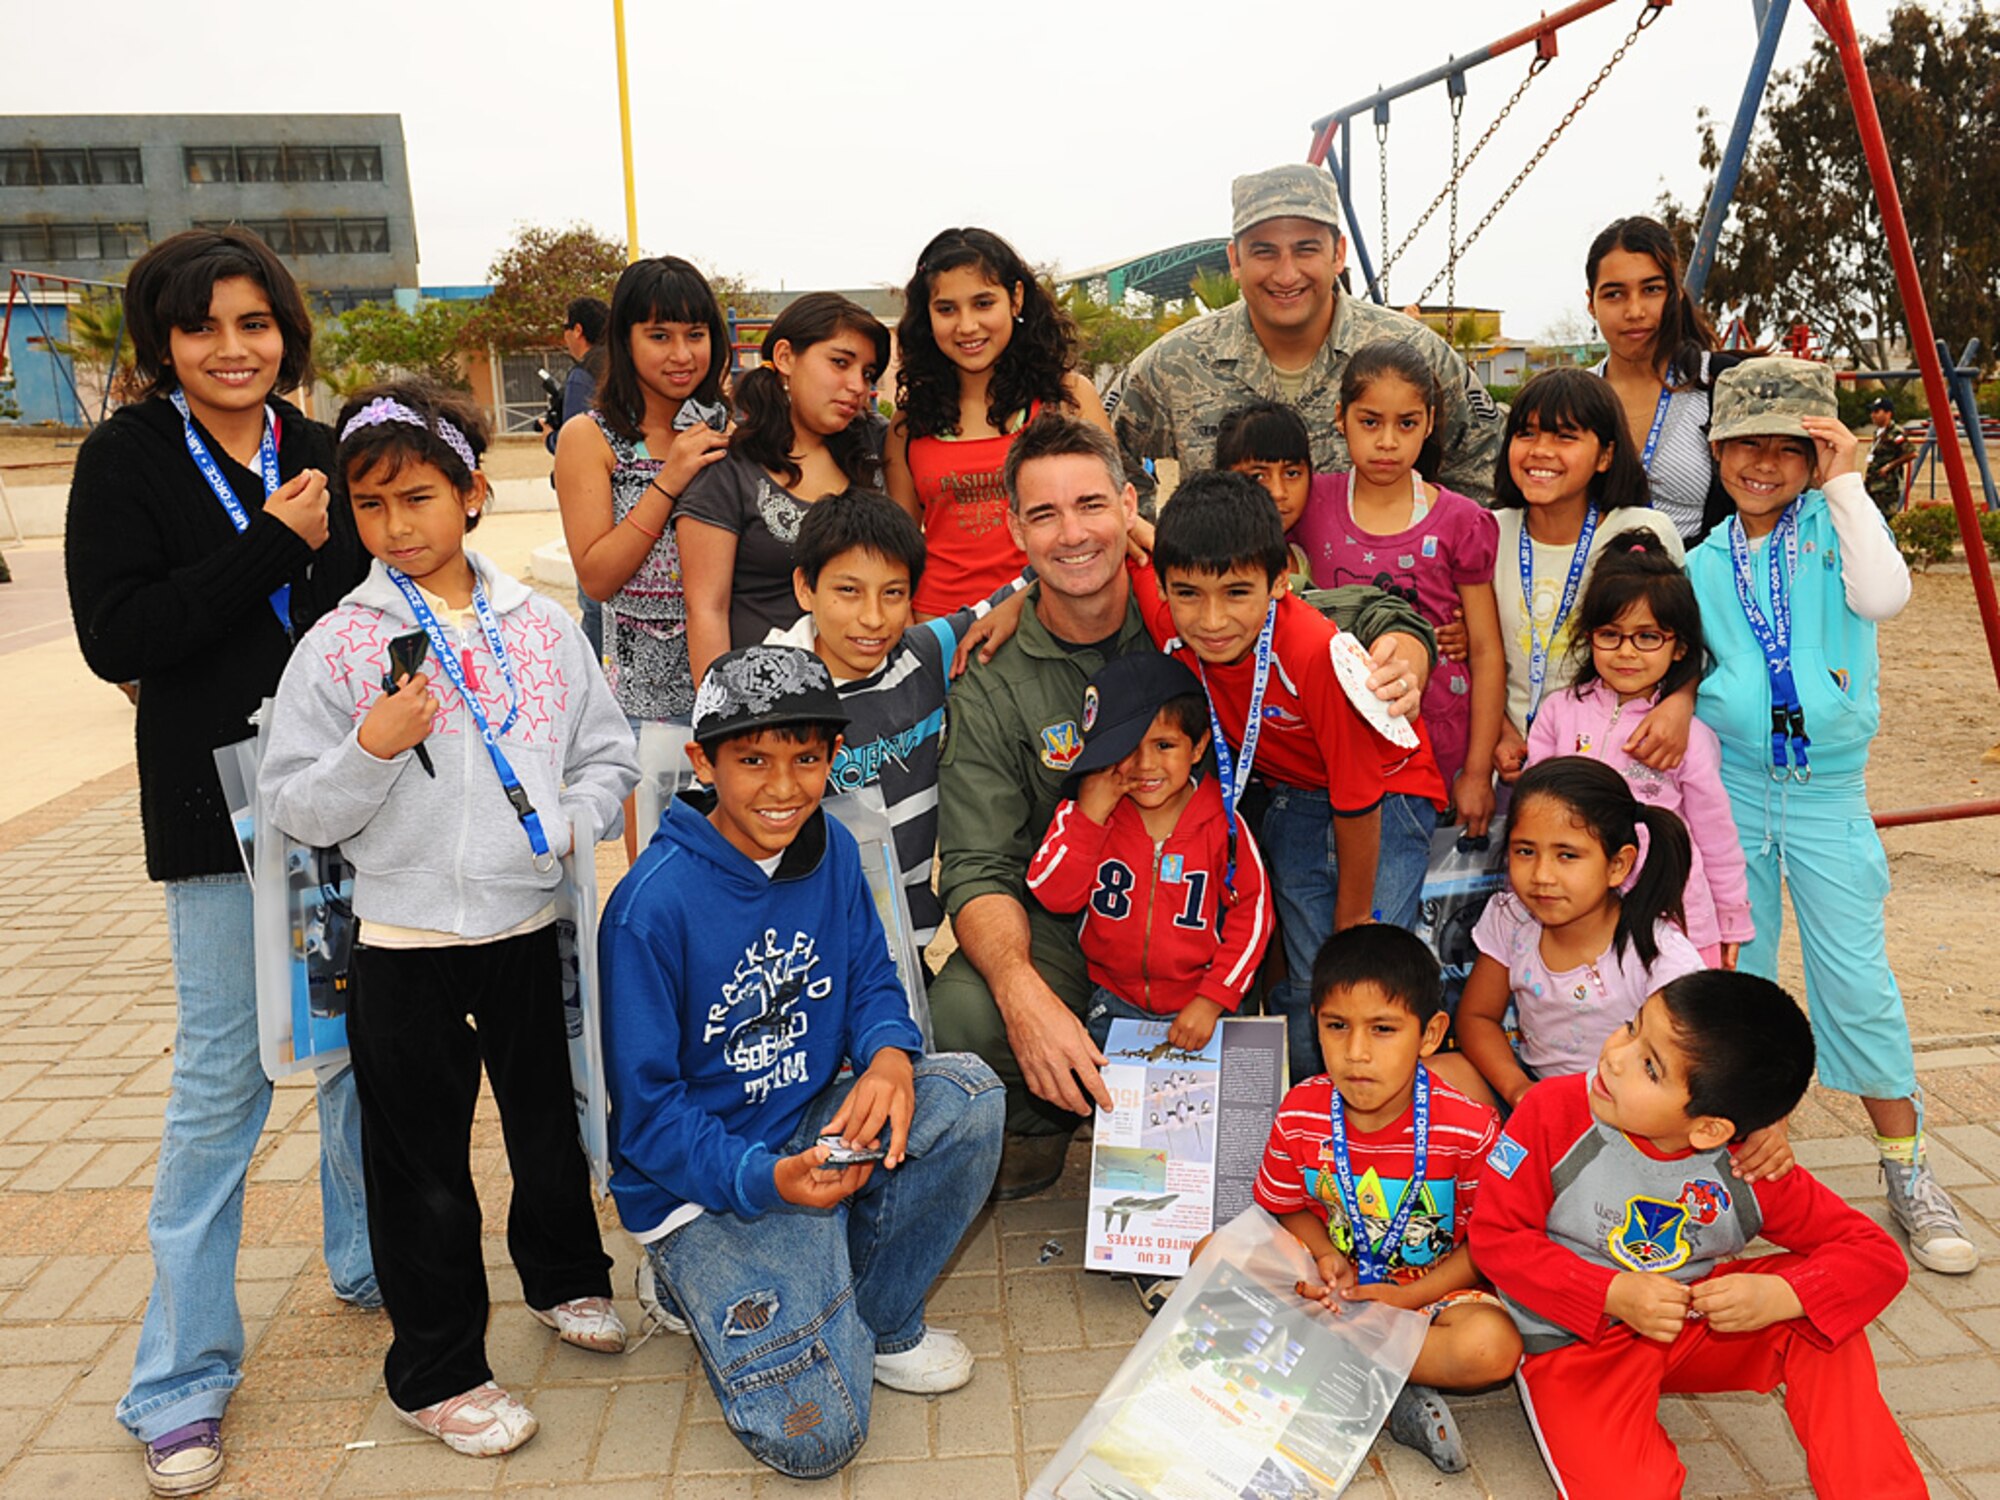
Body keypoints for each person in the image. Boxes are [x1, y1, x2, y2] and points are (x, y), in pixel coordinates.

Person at [261, 381, 639, 1456]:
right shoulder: (340, 644)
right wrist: (371, 747)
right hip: (406, 943)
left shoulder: (542, 624)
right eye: (370, 507)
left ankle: (566, 1280)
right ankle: (434, 1370)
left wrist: (573, 822)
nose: (397, 527)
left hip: (526, 927)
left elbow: (605, 752)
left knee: (548, 1125)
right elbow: (294, 804)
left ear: (471, 494)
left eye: (418, 498)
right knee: (419, 1167)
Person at [63, 225, 376, 1497]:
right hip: (215, 818)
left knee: (364, 1049)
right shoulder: (126, 457)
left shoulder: (324, 452)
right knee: (223, 1086)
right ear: (163, 344)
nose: (233, 349)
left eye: (255, 324)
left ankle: (373, 1264)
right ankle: (180, 1379)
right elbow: (116, 633)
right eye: (203, 328)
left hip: (347, 805)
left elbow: (369, 611)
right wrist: (272, 542)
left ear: (285, 334)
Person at [929, 413, 1433, 1198]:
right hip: (1094, 915)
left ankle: (1334, 1150)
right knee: (969, 1010)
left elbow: (1347, 612)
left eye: (1090, 506)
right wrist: (1025, 999)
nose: (1072, 534)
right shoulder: (1006, 662)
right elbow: (975, 865)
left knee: (1331, 976)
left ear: (1128, 509)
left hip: (1268, 861)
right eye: (1044, 515)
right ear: (1015, 529)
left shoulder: (1189, 605)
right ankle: (1045, 1124)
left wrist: (1409, 643)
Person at [598, 645, 1003, 1478]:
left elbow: (871, 981)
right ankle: (692, 1283)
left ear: (830, 759)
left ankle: (878, 1316)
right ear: (702, 760)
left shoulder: (833, 852)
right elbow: (647, 1119)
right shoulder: (648, 907)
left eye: (807, 759)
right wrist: (767, 1182)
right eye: (752, 761)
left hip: (809, 1128)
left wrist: (890, 1054)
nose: (784, 789)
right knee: (818, 1436)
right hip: (703, 1191)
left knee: (967, 1096)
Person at [1687, 355, 1977, 1273]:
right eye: (1745, 447)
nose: (1764, 465)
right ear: (1717, 451)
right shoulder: (1701, 560)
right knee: (1742, 980)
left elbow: (1885, 596)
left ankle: (1908, 1166)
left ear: (1818, 455)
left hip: (1825, 796)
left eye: (1791, 447)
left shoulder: (1836, 528)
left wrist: (1847, 478)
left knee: (1856, 981)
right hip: (1733, 790)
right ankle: (1746, 1171)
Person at [1470, 971, 1926, 1500]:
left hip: (1697, 1327)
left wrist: (1782, 1295)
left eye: (1650, 1067)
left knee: (1821, 1322)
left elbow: (1877, 1257)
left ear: (1710, 1129)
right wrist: (1612, 1292)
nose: (1615, 1056)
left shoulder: (1747, 1163)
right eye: (1630, 1027)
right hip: (1578, 1344)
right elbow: (1497, 1238)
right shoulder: (1552, 1112)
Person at [1136, 470, 1446, 1084]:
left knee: (1357, 977)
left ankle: (1364, 1120)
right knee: (1302, 976)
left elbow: (1359, 798)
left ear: (1281, 582)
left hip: (1385, 796)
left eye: (1236, 592)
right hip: (1294, 793)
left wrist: (1352, 927)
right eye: (1188, 593)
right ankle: (1305, 1108)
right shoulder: (1172, 616)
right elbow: (1127, 549)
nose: (1212, 618)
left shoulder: (1313, 652)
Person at [1256, 924, 1519, 1474]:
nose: (1356, 1053)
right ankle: (1391, 1384)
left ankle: (1339, 1366)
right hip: (1333, 1285)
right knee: (1209, 1254)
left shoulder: (1470, 1129)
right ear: (1317, 1026)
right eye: (1337, 1026)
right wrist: (1326, 1254)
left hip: (1427, 1296)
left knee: (1490, 1348)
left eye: (1382, 1029)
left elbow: (1491, 1245)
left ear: (1429, 1034)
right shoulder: (1301, 1110)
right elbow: (1286, 1205)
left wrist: (1408, 1297)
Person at [1115, 163, 1504, 503]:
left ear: (1338, 254)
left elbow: (1487, 460)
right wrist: (1157, 548)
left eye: (1305, 250)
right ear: (1235, 260)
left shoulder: (1413, 352)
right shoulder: (1175, 363)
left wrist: (1436, 549)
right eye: (1265, 252)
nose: (1286, 275)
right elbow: (1104, 467)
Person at [769, 489, 1027, 945]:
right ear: (805, 587)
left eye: (893, 594)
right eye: (848, 591)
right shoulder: (769, 694)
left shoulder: (925, 657)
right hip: (806, 947)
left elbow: (1024, 589)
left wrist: (1127, 530)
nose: (873, 618)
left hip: (908, 944)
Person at [1288, 340, 1505, 846]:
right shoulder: (1309, 502)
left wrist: (1475, 772)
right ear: (1340, 418)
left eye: (1406, 423)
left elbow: (1487, 651)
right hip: (1327, 752)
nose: (1387, 441)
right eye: (1370, 422)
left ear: (1429, 423)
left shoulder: (1461, 521)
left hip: (1435, 749)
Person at [555, 257, 730, 855]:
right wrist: (670, 476)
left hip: (733, 690)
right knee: (662, 877)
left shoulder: (731, 429)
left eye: (695, 334)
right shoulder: (591, 436)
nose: (681, 353)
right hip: (642, 708)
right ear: (625, 342)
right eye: (659, 336)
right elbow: (598, 575)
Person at [1026, 651, 1274, 1051]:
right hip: (1112, 1002)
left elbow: (1254, 916)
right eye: (1129, 747)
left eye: (1164, 745)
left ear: (1197, 748)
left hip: (1204, 1005)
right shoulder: (1084, 814)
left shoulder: (1223, 825)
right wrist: (1090, 818)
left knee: (1203, 1111)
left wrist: (1213, 998)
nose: (1145, 764)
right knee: (1116, 1110)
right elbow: (1052, 894)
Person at [1526, 532, 1752, 968]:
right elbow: (1533, 814)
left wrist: (1731, 920)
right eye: (1611, 635)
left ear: (1680, 646)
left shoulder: (1689, 736)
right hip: (1577, 915)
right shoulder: (1558, 714)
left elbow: (1715, 836)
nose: (1626, 652)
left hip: (1672, 916)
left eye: (1647, 637)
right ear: (1588, 637)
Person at [1447, 756, 1704, 1115]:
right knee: (1434, 1076)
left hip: (1627, 1114)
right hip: (1535, 1097)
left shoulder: (1659, 955)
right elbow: (1477, 1017)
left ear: (1618, 865)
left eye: (1567, 855)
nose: (1542, 875)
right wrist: (1519, 1090)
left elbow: (1692, 1066)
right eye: (1525, 851)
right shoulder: (1511, 918)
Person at [883, 227, 1113, 617]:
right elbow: (897, 555)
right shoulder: (908, 424)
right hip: (941, 632)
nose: (967, 326)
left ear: (1016, 299)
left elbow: (1113, 519)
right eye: (947, 309)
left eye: (983, 303)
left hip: (1050, 624)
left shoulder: (1069, 399)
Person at [1488, 368, 1689, 787]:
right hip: (1515, 762)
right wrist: (1500, 732)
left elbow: (1683, 639)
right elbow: (1475, 653)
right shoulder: (1489, 531)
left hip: (1617, 768)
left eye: (1565, 436)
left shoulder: (1644, 531)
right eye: (1526, 433)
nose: (1540, 450)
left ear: (1605, 456)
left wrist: (1680, 703)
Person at [679, 292, 890, 684]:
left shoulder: (876, 446)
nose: (857, 385)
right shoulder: (728, 468)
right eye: (840, 362)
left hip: (876, 695)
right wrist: (722, 720)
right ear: (786, 357)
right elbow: (706, 608)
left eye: (867, 372)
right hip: (770, 708)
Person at [1584, 216, 1746, 543]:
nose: (1634, 311)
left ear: (1677, 294)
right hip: (1597, 586)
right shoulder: (1576, 400)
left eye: (1652, 289)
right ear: (1591, 303)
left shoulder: (1722, 383)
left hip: (1703, 589)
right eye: (1614, 294)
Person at [544, 295, 610, 658]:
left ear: (578, 330)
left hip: (593, 498)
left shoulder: (584, 374)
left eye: (565, 328)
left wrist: (549, 437)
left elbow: (573, 443)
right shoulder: (623, 365)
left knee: (594, 597)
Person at [1212, 399, 1315, 593]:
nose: (1278, 493)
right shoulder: (1208, 562)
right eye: (1258, 476)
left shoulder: (1306, 555)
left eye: (1292, 473)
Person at [1864, 393, 1916, 519]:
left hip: (1887, 486)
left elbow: (1911, 453)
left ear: (1888, 413)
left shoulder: (1895, 432)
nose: (1873, 415)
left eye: (1877, 411)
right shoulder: (1878, 432)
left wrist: (1890, 466)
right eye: (1872, 412)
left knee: (1887, 518)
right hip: (1874, 483)